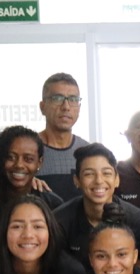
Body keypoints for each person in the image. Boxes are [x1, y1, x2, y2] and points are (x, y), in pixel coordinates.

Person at [0, 126, 63, 262]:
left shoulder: (52, 204)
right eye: (10, 157)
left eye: (28, 159)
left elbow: (57, 255)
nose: (19, 165)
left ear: (40, 162)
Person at [54, 143, 140, 266]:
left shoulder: (137, 220)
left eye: (106, 173)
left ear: (117, 179)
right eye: (89, 174)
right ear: (77, 181)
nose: (99, 181)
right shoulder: (60, 221)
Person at [36, 72, 89, 202]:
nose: (66, 107)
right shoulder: (28, 151)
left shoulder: (87, 152)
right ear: (42, 107)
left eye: (73, 99)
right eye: (57, 98)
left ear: (79, 108)